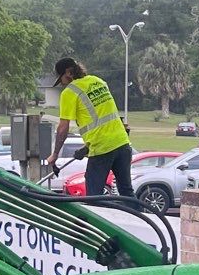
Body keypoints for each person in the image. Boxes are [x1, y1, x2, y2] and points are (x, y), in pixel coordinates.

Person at [45, 57, 135, 198]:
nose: (62, 83)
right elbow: (101, 120)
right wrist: (86, 148)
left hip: (101, 149)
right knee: (127, 192)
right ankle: (139, 219)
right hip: (122, 143)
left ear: (68, 73)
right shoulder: (98, 81)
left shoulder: (70, 92)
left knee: (94, 197)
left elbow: (63, 128)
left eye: (61, 78)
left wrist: (55, 154)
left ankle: (96, 219)